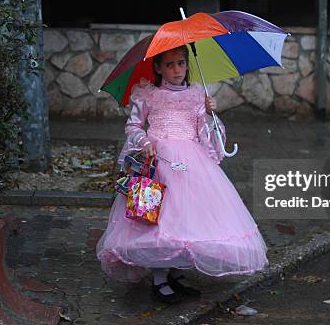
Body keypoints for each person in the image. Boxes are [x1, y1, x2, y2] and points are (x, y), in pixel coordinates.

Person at [96, 45, 269, 304]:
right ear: (157, 68)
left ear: (188, 64)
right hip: (159, 161)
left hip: (192, 162)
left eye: (181, 63)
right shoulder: (148, 94)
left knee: (188, 217)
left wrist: (210, 114)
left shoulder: (198, 94)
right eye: (169, 65)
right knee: (158, 218)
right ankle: (158, 277)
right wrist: (143, 141)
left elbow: (207, 136)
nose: (177, 69)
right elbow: (133, 125)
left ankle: (176, 271)